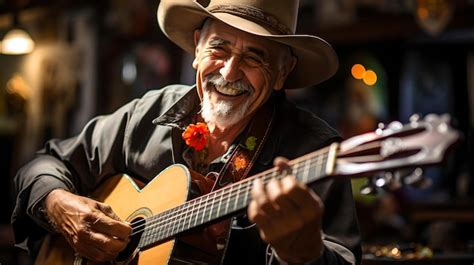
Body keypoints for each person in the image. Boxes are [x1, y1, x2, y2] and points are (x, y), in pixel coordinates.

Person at [12, 0, 361, 264]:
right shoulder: (148, 112)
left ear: (284, 72)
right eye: (219, 47)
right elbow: (43, 164)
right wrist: (58, 204)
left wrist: (305, 254)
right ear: (197, 47)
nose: (229, 71)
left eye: (255, 57)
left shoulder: (316, 150)